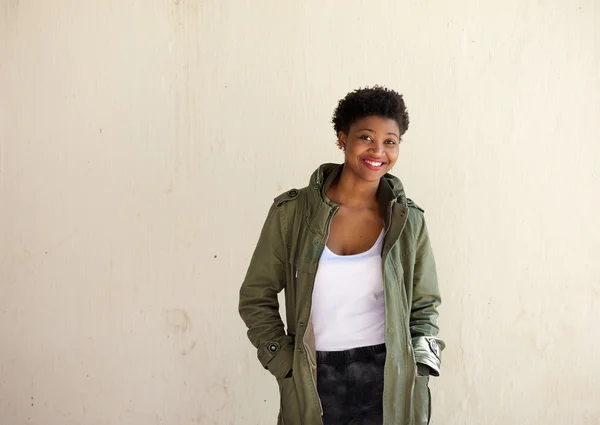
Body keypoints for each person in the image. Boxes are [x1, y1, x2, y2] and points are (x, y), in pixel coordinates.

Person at [239, 86, 444, 425]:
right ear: (342, 138)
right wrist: (282, 361)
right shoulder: (292, 213)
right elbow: (255, 295)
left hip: (387, 375)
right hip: (314, 375)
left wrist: (419, 365)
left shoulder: (408, 221)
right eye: (366, 137)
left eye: (390, 141)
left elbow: (424, 305)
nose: (378, 150)